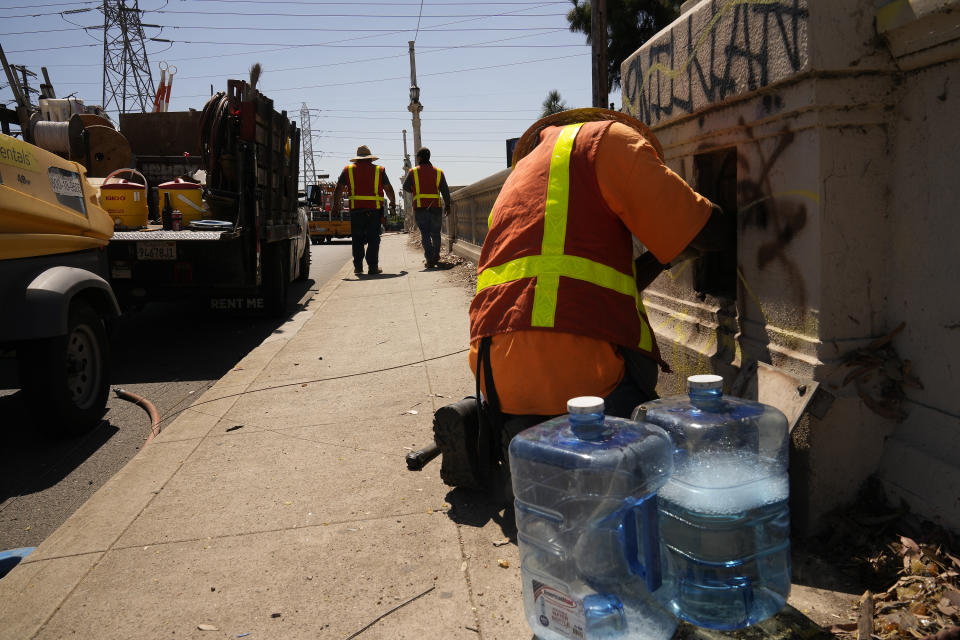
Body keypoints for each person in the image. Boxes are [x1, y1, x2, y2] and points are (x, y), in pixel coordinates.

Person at [467, 108, 729, 488]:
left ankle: (528, 436)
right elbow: (706, 230)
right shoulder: (610, 142)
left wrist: (664, 251)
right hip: (582, 380)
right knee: (663, 456)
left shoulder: (520, 174)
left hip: (497, 379)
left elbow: (593, 289)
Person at [332, 145, 397, 275]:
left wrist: (336, 206)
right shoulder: (379, 170)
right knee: (373, 238)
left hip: (356, 210)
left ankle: (358, 267)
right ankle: (373, 267)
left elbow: (339, 189)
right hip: (374, 211)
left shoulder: (348, 170)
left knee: (357, 239)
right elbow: (388, 189)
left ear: (357, 159)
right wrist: (393, 203)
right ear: (370, 159)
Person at [403, 147, 452, 268]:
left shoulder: (413, 172)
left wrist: (414, 190)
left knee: (425, 233)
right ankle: (436, 256)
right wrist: (448, 205)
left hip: (420, 208)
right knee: (436, 233)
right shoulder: (439, 172)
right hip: (435, 207)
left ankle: (429, 259)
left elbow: (405, 186)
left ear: (419, 158)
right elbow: (445, 191)